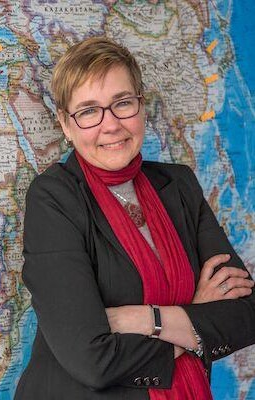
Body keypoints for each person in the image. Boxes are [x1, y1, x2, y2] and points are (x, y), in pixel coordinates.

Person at [14, 37, 255, 399]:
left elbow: (245, 315)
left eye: (122, 103)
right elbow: (94, 360)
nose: (110, 125)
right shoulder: (55, 198)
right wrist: (194, 316)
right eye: (89, 111)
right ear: (66, 124)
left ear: (141, 106)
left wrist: (142, 320)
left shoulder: (179, 185)